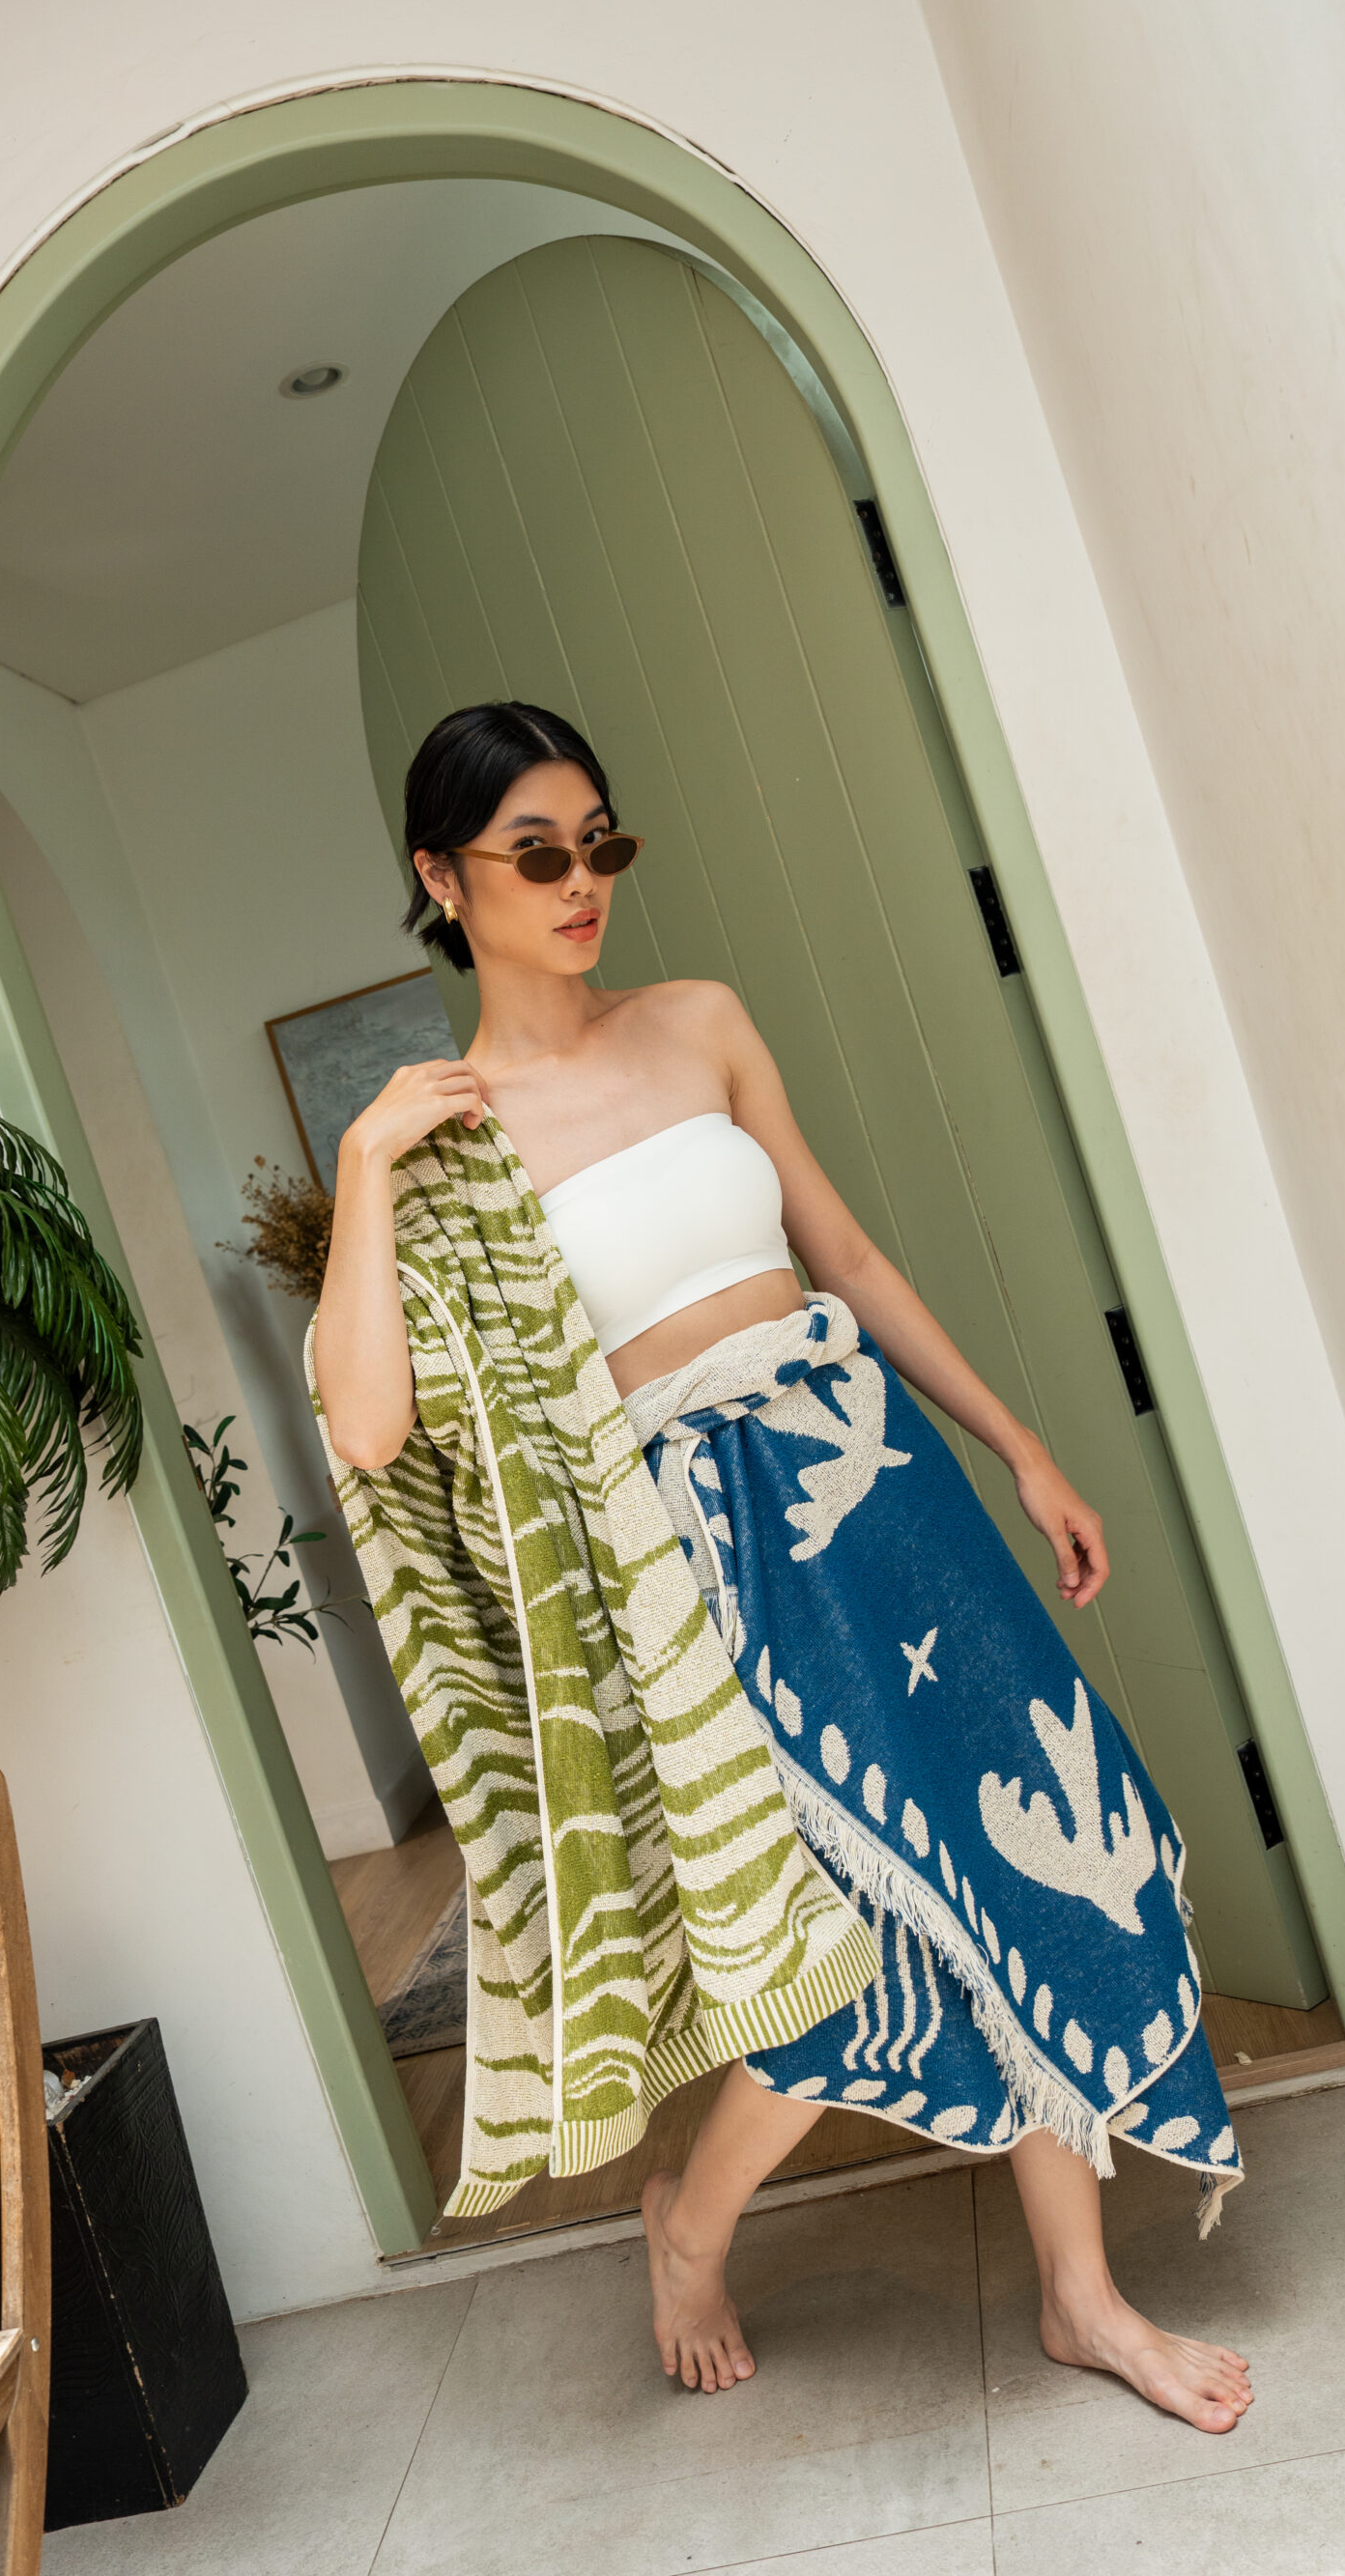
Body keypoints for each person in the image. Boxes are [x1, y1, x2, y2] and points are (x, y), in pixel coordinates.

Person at [313, 698, 1252, 2432]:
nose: (581, 882)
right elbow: (368, 1425)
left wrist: (1019, 1445)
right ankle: (690, 2223)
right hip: (708, 1566)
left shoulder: (702, 1021)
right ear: (442, 880)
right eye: (536, 853)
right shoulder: (438, 1147)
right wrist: (365, 1163)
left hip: (880, 1487)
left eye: (601, 842)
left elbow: (849, 1259)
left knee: (1052, 1849)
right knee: (834, 1933)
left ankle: (1082, 2295)